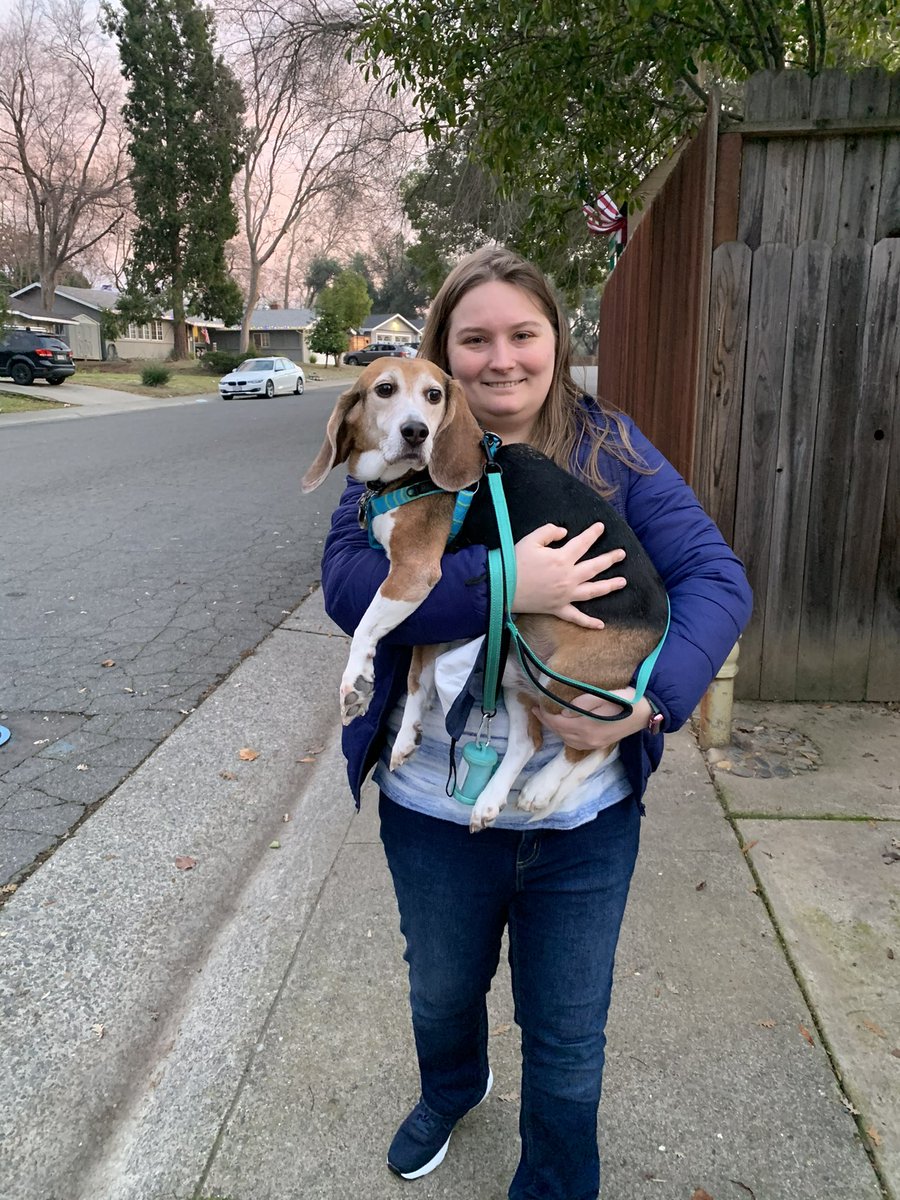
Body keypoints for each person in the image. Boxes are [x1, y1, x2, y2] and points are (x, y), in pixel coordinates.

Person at [320, 245, 752, 1200]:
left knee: (567, 1034)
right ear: (442, 359)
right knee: (440, 993)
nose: (502, 358)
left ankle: (554, 1182)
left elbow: (718, 580)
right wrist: (511, 582)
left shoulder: (617, 452)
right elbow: (352, 589)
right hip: (434, 805)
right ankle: (451, 1091)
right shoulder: (397, 458)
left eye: (524, 334)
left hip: (579, 816)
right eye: (475, 339)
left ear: (557, 341)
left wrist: (646, 704)